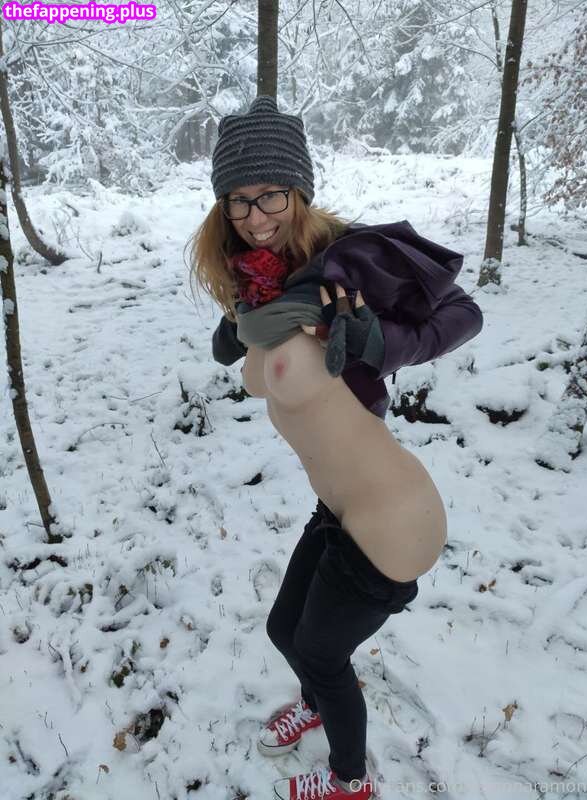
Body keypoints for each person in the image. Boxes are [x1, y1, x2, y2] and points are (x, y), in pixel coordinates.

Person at [188, 95, 484, 800]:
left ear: (300, 189)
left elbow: (464, 312)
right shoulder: (257, 277)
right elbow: (262, 344)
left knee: (321, 652)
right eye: (238, 199)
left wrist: (385, 343)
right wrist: (238, 327)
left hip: (394, 516)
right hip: (340, 507)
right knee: (283, 630)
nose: (256, 215)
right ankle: (317, 703)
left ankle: (350, 782)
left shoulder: (351, 262)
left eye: (272, 194)